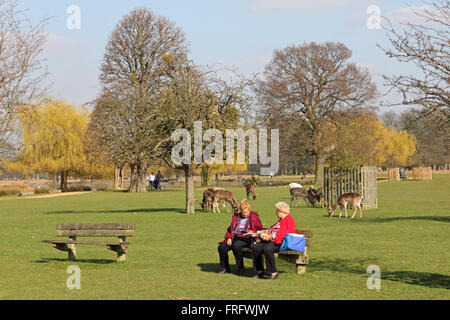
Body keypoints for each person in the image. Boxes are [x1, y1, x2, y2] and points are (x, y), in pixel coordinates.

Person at [217, 200, 263, 276]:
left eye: (246, 212)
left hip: (246, 238)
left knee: (236, 246)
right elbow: (230, 229)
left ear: (249, 210)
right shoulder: (236, 217)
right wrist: (229, 237)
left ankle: (241, 268)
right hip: (234, 237)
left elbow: (259, 228)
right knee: (221, 247)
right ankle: (224, 268)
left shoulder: (253, 216)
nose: (245, 214)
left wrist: (253, 232)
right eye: (243, 212)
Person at [252, 201, 296, 280]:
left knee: (268, 249)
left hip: (280, 242)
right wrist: (262, 233)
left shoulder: (289, 219)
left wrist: (271, 237)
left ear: (281, 211)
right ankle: (260, 271)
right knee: (256, 247)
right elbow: (273, 230)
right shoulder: (280, 220)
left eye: (277, 211)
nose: (276, 213)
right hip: (273, 240)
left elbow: (285, 233)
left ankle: (273, 272)